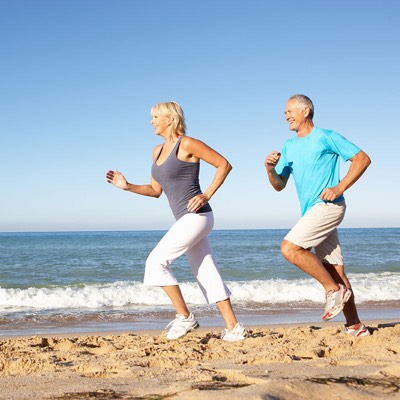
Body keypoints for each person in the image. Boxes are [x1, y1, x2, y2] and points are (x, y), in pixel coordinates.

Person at [106, 101, 247, 341]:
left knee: (155, 263)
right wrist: (127, 186)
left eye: (155, 117)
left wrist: (206, 195)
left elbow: (224, 164)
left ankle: (185, 317)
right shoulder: (156, 151)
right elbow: (154, 190)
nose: (151, 121)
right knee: (206, 271)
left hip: (198, 216)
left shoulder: (188, 144)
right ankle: (234, 328)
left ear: (170, 119)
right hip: (187, 219)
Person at [264, 94, 372, 337]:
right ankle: (355, 325)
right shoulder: (289, 146)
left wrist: (340, 187)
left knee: (289, 249)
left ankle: (332, 290)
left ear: (306, 112)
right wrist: (270, 170)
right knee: (336, 270)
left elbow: (362, 159)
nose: (286, 116)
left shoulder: (326, 137)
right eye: (284, 113)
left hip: (329, 206)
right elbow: (279, 184)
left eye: (290, 111)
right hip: (312, 212)